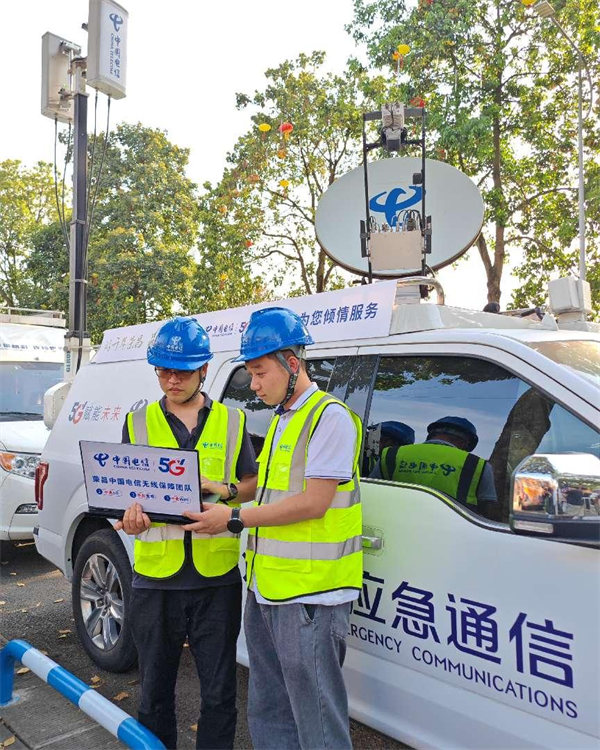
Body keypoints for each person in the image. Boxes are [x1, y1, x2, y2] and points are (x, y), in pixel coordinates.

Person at [182, 306, 363, 750]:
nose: (254, 384)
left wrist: (233, 519)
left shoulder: (329, 417)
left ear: (292, 364)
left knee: (317, 721)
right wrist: (226, 491)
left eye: (261, 373)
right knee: (269, 709)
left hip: (311, 596)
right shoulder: (284, 419)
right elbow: (270, 493)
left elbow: (315, 502)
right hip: (267, 588)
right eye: (251, 374)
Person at [114, 316, 258, 750]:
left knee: (219, 694)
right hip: (156, 579)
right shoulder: (137, 422)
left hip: (216, 579)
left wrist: (225, 490)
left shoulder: (233, 421)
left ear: (204, 370)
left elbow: (251, 484)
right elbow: (125, 491)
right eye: (163, 371)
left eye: (181, 372)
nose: (171, 381)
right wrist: (129, 517)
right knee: (154, 693)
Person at [377, 416, 497, 511]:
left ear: (431, 435)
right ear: (465, 443)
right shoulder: (478, 465)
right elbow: (488, 510)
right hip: (450, 531)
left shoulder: (391, 454)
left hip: (391, 523)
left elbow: (372, 490)